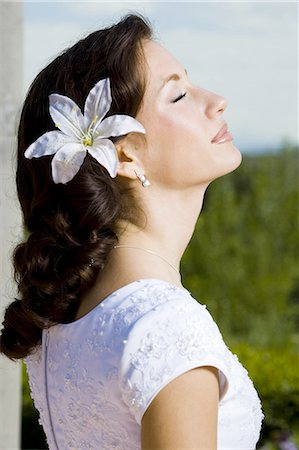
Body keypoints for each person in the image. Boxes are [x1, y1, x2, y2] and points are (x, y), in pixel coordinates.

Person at [0, 13, 264, 450]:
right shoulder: (167, 329)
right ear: (123, 156)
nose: (216, 100)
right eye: (178, 95)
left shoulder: (68, 324)